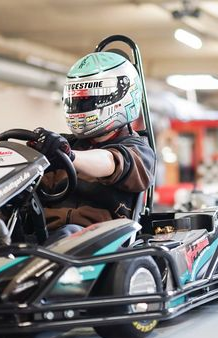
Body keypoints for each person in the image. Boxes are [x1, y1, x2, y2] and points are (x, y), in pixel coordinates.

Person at [29, 51, 155, 242]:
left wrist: (70, 155)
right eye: (76, 101)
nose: (79, 108)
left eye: (87, 101)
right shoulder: (64, 144)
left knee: (69, 234)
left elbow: (111, 161)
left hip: (100, 239)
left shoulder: (138, 150)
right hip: (46, 235)